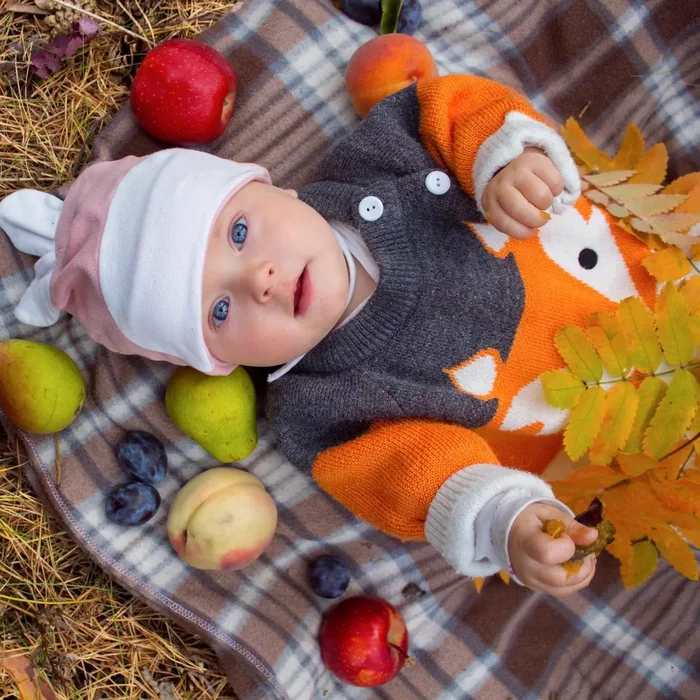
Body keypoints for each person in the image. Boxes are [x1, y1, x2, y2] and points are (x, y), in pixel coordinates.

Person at [0, 74, 656, 596]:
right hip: (639, 431)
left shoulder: (377, 163)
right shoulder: (322, 411)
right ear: (218, 365)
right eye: (219, 313)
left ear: (276, 189)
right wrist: (508, 525)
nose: (259, 278)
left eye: (238, 233)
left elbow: (451, 106)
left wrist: (506, 160)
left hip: (660, 266)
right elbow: (422, 479)